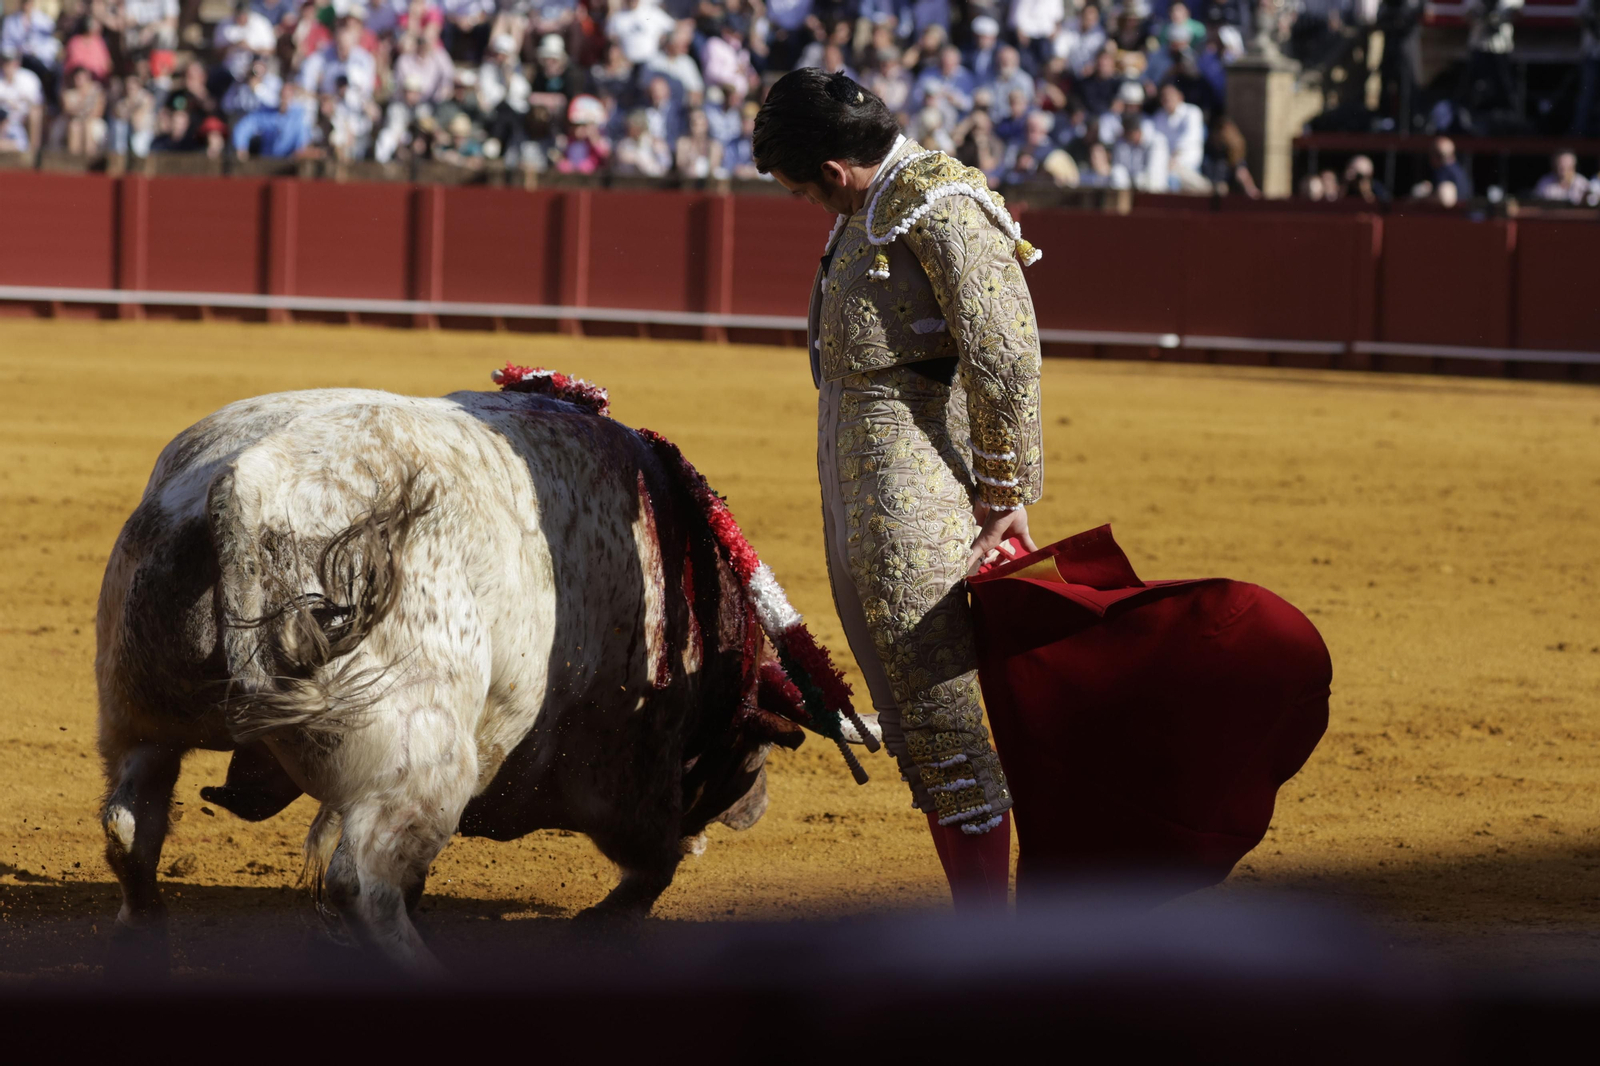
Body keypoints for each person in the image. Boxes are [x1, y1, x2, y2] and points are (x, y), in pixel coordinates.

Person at [753, 68, 1045, 910]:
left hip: (922, 500)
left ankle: (991, 940)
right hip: (869, 493)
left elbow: (1005, 353)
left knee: (944, 720)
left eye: (805, 190)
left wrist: (1004, 488)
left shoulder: (939, 203)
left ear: (836, 173)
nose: (812, 203)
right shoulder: (879, 206)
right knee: (922, 721)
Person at [1149, 82, 1207, 191]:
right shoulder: (1158, 116)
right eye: (1164, 97)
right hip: (1164, 166)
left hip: (1188, 165)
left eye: (1170, 96)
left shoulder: (1192, 112)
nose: (1166, 100)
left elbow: (1188, 139)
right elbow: (1155, 140)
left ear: (1180, 96)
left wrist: (1172, 160)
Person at [1409, 136, 1472, 203]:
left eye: (1431, 153)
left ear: (1435, 157)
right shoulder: (1460, 171)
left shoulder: (1445, 173)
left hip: (1450, 213)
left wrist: (1421, 199)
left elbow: (1446, 200)